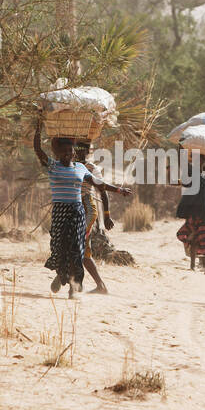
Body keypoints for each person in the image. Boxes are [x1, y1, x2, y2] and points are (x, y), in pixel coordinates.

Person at [33, 121, 131, 297]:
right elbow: (38, 150)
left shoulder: (80, 168)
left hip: (78, 212)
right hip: (60, 214)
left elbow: (99, 184)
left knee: (77, 249)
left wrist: (119, 190)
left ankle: (74, 286)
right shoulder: (53, 167)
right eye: (64, 151)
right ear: (58, 153)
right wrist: (38, 128)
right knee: (60, 248)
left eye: (70, 151)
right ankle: (63, 276)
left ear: (73, 153)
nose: (67, 154)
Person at [74, 140, 115, 294]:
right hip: (74, 208)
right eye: (76, 150)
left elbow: (102, 191)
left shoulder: (92, 168)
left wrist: (107, 215)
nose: (78, 153)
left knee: (81, 247)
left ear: (86, 152)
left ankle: (81, 283)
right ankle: (96, 285)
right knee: (81, 249)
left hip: (86, 209)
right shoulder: (69, 165)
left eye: (82, 150)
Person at [176, 153, 205, 273]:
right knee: (182, 234)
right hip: (193, 213)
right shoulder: (192, 172)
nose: (199, 161)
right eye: (197, 159)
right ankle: (192, 264)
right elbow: (183, 162)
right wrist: (181, 148)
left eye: (201, 159)